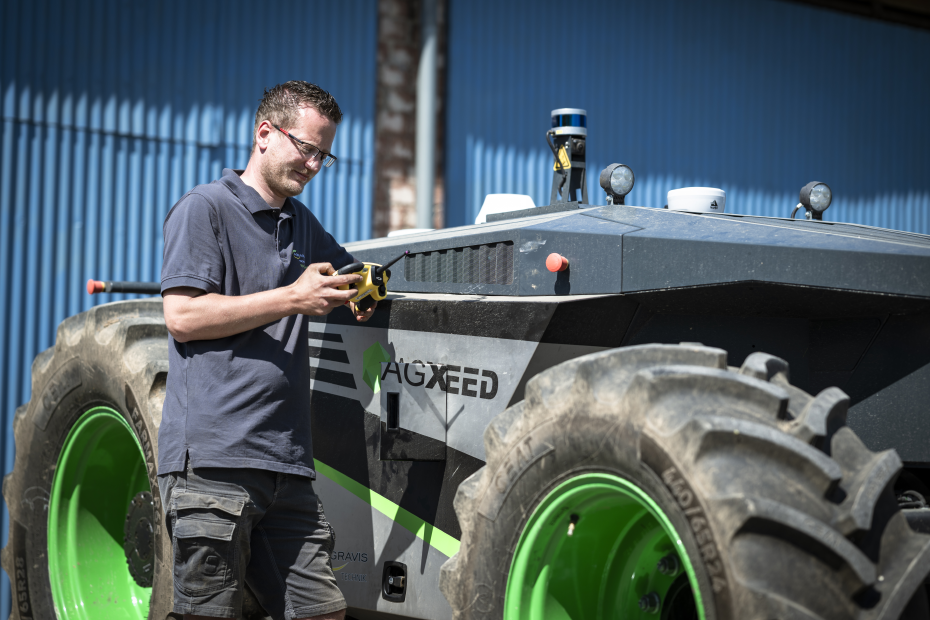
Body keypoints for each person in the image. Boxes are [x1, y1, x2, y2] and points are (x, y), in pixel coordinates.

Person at [158, 81, 371, 620]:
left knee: (323, 611)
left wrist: (366, 291)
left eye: (325, 155)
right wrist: (293, 297)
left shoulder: (300, 223)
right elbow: (182, 317)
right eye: (307, 148)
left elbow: (349, 276)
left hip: (286, 464)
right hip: (214, 463)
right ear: (264, 134)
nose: (315, 165)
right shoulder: (205, 208)